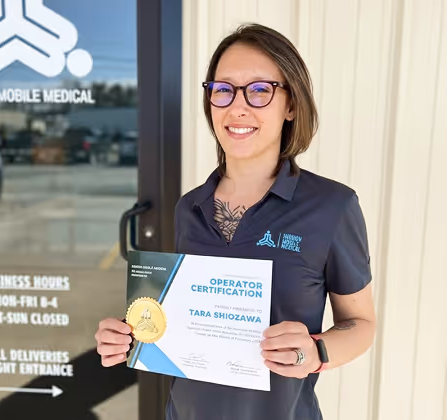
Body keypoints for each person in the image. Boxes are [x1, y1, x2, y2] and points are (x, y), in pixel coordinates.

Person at [95, 23, 376, 420]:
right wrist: (127, 334)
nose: (237, 107)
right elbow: (184, 318)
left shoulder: (332, 206)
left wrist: (315, 352)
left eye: (259, 90)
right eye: (223, 89)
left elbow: (361, 324)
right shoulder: (189, 207)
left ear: (291, 105)